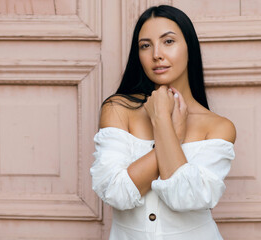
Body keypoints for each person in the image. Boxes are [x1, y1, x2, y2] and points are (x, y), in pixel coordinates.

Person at [90, 5, 236, 240]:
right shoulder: (118, 109)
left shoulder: (218, 127)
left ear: (190, 47)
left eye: (168, 41)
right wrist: (171, 134)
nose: (156, 54)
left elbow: (186, 197)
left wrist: (163, 125)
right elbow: (115, 192)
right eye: (145, 45)